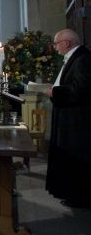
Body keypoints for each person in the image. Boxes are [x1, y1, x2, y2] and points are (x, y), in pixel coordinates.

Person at [44, 28, 91, 208]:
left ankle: (80, 197)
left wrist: (55, 91)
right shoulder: (75, 57)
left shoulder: (83, 59)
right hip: (68, 117)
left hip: (77, 121)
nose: (55, 47)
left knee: (76, 157)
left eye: (57, 43)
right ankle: (71, 194)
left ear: (67, 43)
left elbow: (81, 89)